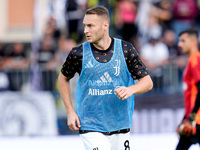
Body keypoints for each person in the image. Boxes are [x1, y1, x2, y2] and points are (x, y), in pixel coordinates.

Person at [58, 6, 153, 150]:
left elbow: (147, 82)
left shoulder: (126, 50)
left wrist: (131, 89)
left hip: (120, 125)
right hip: (90, 125)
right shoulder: (78, 53)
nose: (85, 31)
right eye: (85, 26)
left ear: (105, 26)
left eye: (90, 26)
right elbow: (63, 78)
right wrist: (70, 112)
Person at [176, 28, 200, 150]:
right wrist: (185, 118)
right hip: (193, 119)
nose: (179, 44)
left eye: (183, 41)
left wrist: (192, 115)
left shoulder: (195, 58)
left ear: (194, 41)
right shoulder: (192, 60)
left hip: (197, 120)